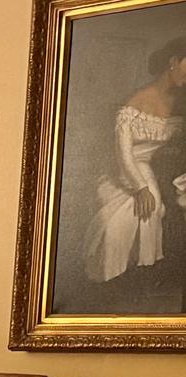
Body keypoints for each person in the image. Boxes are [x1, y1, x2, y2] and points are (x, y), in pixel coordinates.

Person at [81, 36, 186, 307]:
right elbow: (123, 154)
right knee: (117, 221)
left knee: (153, 208)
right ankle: (111, 278)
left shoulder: (181, 103)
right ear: (173, 62)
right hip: (120, 171)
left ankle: (142, 274)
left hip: (148, 167)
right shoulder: (136, 101)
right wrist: (139, 187)